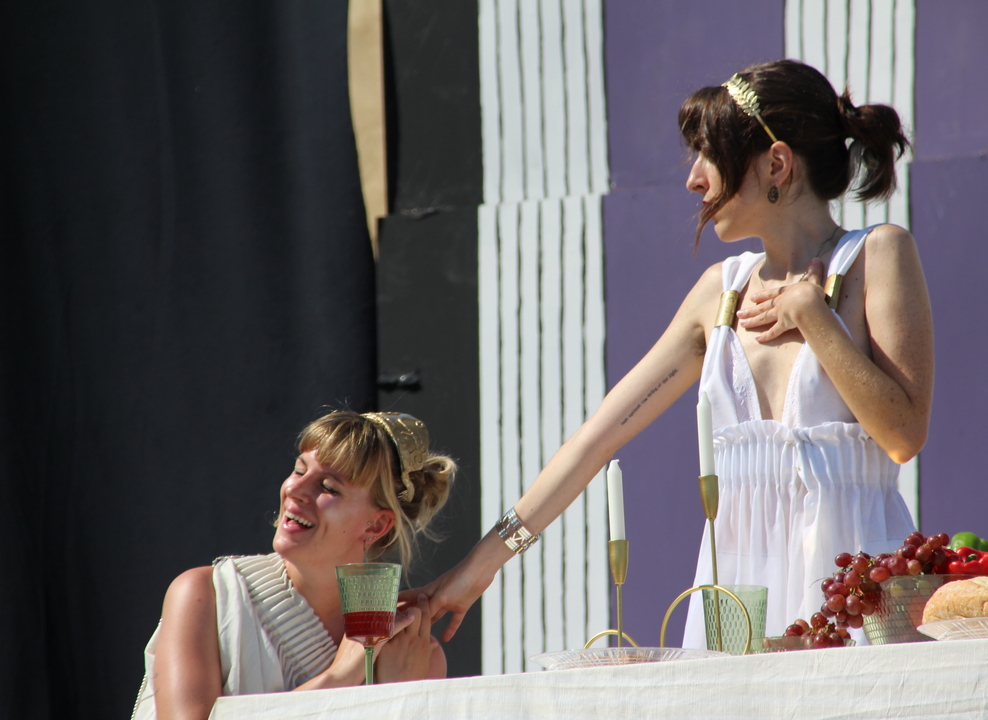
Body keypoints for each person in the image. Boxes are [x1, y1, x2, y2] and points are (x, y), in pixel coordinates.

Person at [403, 59, 932, 643]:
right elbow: (596, 439)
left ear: (776, 163)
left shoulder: (879, 254)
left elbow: (903, 434)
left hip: (859, 591)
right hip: (736, 599)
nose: (694, 180)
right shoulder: (720, 292)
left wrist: (813, 316)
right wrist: (476, 572)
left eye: (709, 154)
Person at [133, 410, 456, 720]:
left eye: (328, 487)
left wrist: (396, 695)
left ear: (376, 525)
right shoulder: (208, 596)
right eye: (299, 471)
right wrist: (341, 676)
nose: (294, 490)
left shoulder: (409, 648)